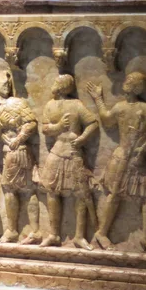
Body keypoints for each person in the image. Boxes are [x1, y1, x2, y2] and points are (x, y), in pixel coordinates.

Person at [87, 73, 146, 252]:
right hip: (121, 157)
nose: (125, 83)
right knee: (114, 195)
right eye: (126, 80)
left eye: (130, 81)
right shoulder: (120, 107)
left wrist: (142, 149)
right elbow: (106, 119)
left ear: (137, 87)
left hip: (137, 157)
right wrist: (98, 99)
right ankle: (101, 233)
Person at [0, 70, 40, 244]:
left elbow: (32, 123)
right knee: (11, 189)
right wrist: (0, 124)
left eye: (8, 84)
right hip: (8, 152)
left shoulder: (17, 103)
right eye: (3, 85)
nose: (7, 87)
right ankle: (23, 230)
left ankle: (20, 230)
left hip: (19, 151)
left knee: (18, 189)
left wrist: (19, 138)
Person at [39, 74, 99, 250]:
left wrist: (82, 139)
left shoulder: (76, 105)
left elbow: (93, 123)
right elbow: (45, 128)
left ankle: (79, 236)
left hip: (73, 152)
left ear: (65, 86)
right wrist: (58, 127)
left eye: (58, 82)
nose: (55, 84)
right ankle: (53, 234)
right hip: (57, 151)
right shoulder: (50, 105)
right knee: (51, 191)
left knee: (80, 194)